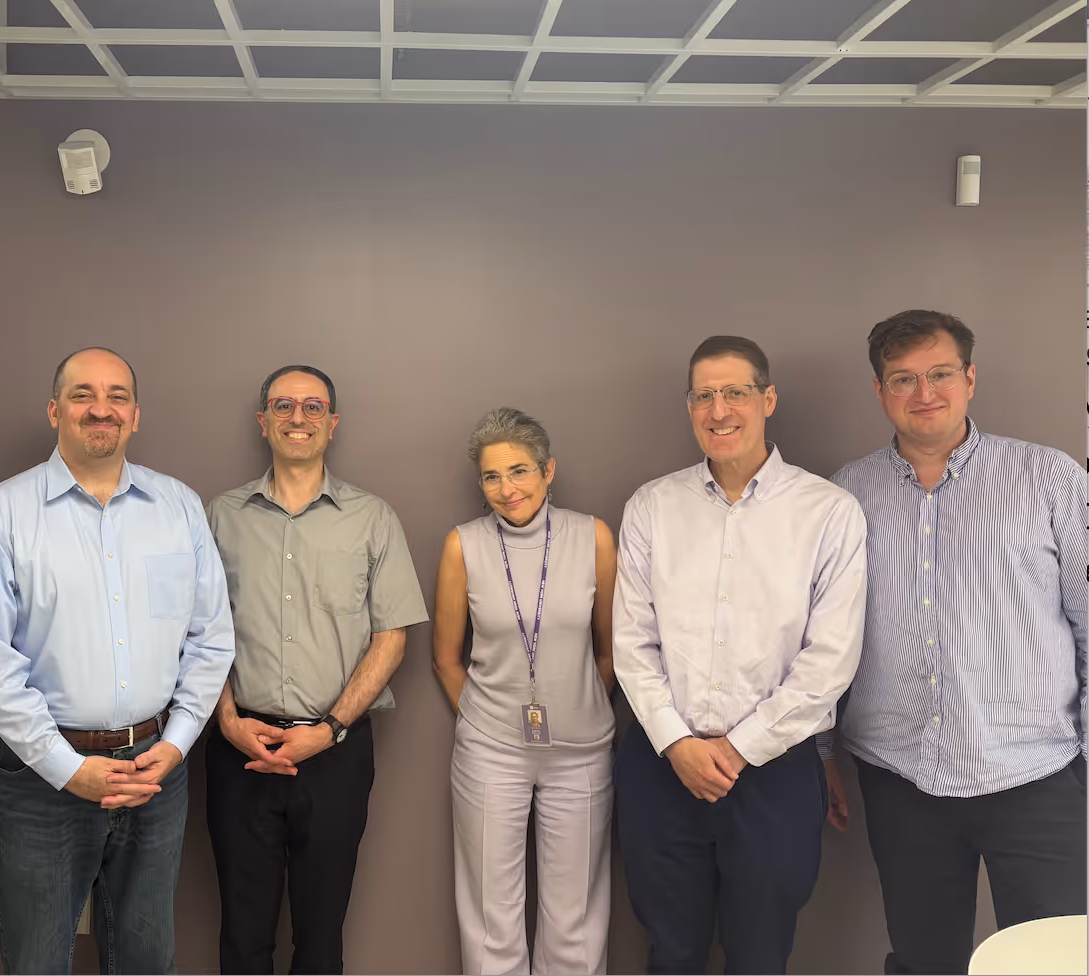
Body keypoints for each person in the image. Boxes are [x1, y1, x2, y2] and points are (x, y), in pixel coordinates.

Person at [0, 347, 235, 975]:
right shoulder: (2, 513)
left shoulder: (179, 507)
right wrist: (63, 766)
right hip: (39, 777)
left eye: (116, 396)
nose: (99, 409)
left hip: (156, 769)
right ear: (55, 410)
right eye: (82, 395)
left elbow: (211, 635)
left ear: (136, 415)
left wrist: (179, 742)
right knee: (37, 958)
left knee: (144, 956)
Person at [826, 310, 1088, 975]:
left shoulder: (1050, 480)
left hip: (1037, 774)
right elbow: (824, 639)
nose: (924, 394)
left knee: (1051, 962)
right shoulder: (844, 496)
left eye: (940, 374)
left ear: (970, 379)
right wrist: (822, 749)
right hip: (901, 775)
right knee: (923, 962)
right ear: (879, 392)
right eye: (903, 379)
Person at [613, 336, 867, 974]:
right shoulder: (651, 506)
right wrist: (677, 744)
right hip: (661, 765)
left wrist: (738, 748)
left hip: (773, 772)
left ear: (768, 399)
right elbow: (632, 645)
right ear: (689, 406)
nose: (719, 409)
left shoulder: (828, 512)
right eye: (705, 395)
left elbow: (829, 661)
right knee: (671, 952)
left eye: (736, 393)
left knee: (761, 955)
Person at [206, 365, 429, 975]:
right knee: (243, 933)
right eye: (283, 405)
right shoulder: (218, 517)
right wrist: (226, 721)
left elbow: (392, 638)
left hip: (336, 752)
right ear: (263, 422)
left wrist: (328, 729)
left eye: (312, 406)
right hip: (239, 750)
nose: (297, 417)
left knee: (322, 933)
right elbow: (194, 633)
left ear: (332, 423)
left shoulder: (373, 518)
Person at [432, 407, 617, 975]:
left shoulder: (593, 537)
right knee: (492, 918)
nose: (506, 489)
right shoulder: (463, 545)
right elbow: (445, 658)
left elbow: (610, 651)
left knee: (575, 921)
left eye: (518, 471)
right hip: (491, 753)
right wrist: (489, 722)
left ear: (548, 471)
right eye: (491, 476)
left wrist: (580, 705)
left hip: (581, 752)